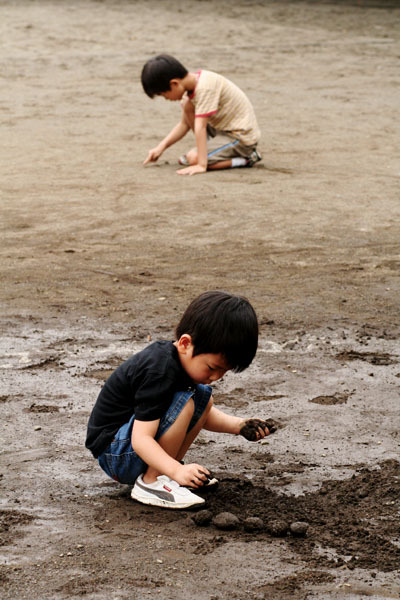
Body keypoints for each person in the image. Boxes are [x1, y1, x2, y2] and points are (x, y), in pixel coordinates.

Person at [86, 291, 274, 509]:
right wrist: (177, 469)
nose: (215, 377)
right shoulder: (159, 371)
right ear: (185, 343)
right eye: (212, 367)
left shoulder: (181, 364)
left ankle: (163, 475)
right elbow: (141, 439)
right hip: (116, 453)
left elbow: (202, 413)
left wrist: (239, 426)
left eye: (224, 371)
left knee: (202, 397)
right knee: (186, 402)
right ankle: (151, 482)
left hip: (130, 449)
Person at [141, 54, 262, 176]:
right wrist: (160, 148)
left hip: (241, 137)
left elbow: (200, 127)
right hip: (222, 130)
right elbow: (184, 124)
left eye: (163, 95)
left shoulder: (205, 89)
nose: (166, 99)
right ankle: (208, 153)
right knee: (188, 106)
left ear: (174, 84)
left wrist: (201, 164)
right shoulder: (189, 89)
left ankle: (247, 159)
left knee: (193, 158)